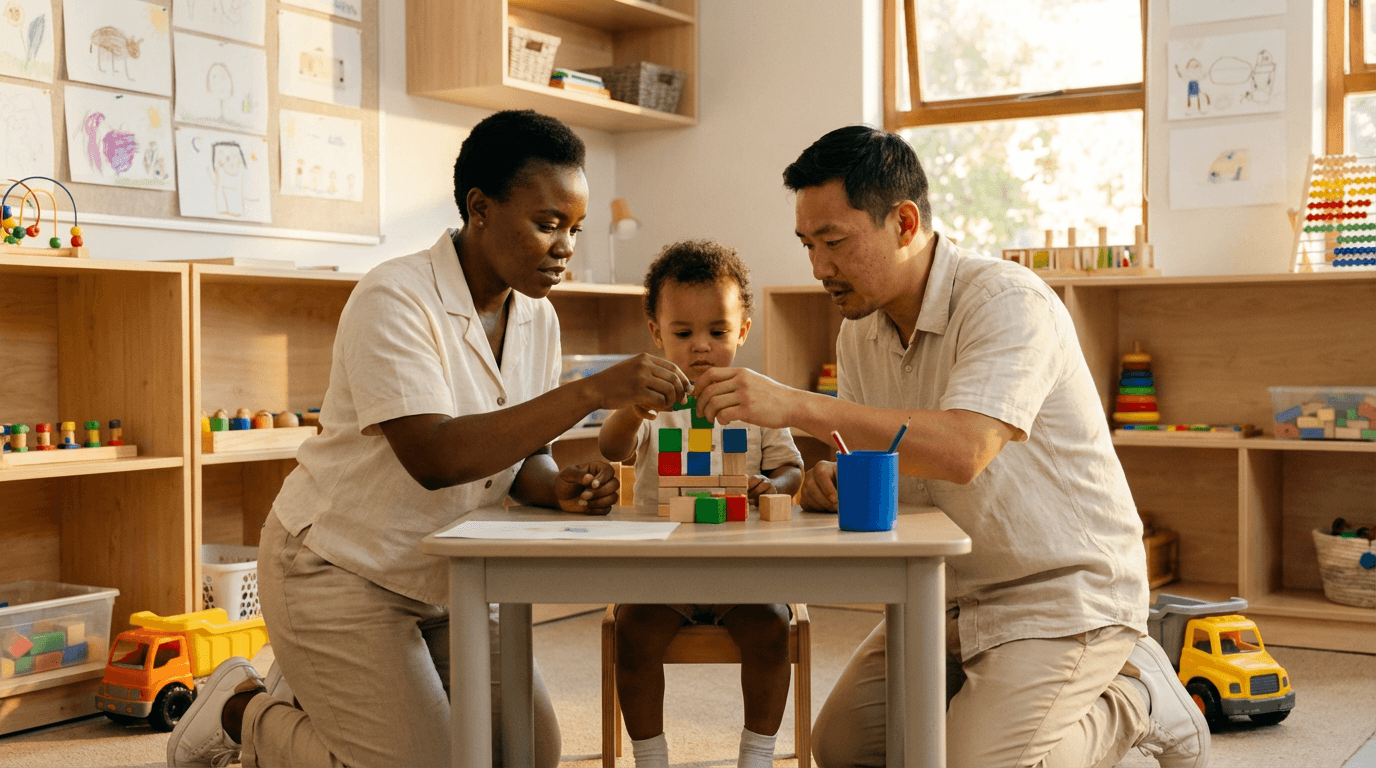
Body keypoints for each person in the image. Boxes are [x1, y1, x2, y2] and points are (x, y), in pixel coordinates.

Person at [166, 109, 692, 768]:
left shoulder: (539, 319)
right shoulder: (394, 296)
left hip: (447, 579)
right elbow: (437, 456)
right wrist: (590, 392)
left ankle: (326, 693)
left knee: (530, 753)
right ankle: (239, 709)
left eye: (575, 229)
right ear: (480, 208)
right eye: (548, 224)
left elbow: (523, 458)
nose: (566, 247)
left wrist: (556, 486)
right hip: (338, 569)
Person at [691, 125, 1211, 768]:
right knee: (844, 750)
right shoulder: (860, 334)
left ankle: (1140, 699)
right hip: (944, 596)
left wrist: (797, 405)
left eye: (834, 242)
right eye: (807, 245)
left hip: (1062, 595)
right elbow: (887, 460)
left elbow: (964, 451)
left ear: (905, 223)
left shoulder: (1008, 301)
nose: (819, 268)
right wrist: (835, 483)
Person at [598, 239, 804, 768]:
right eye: (683, 333)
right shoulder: (653, 404)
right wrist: (632, 409)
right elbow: (613, 450)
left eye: (717, 332)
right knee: (633, 635)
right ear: (656, 333)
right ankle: (650, 756)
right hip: (662, 568)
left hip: (743, 568)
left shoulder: (759, 400)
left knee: (771, 632)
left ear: (743, 330)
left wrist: (772, 486)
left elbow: (791, 468)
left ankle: (757, 755)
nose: (701, 348)